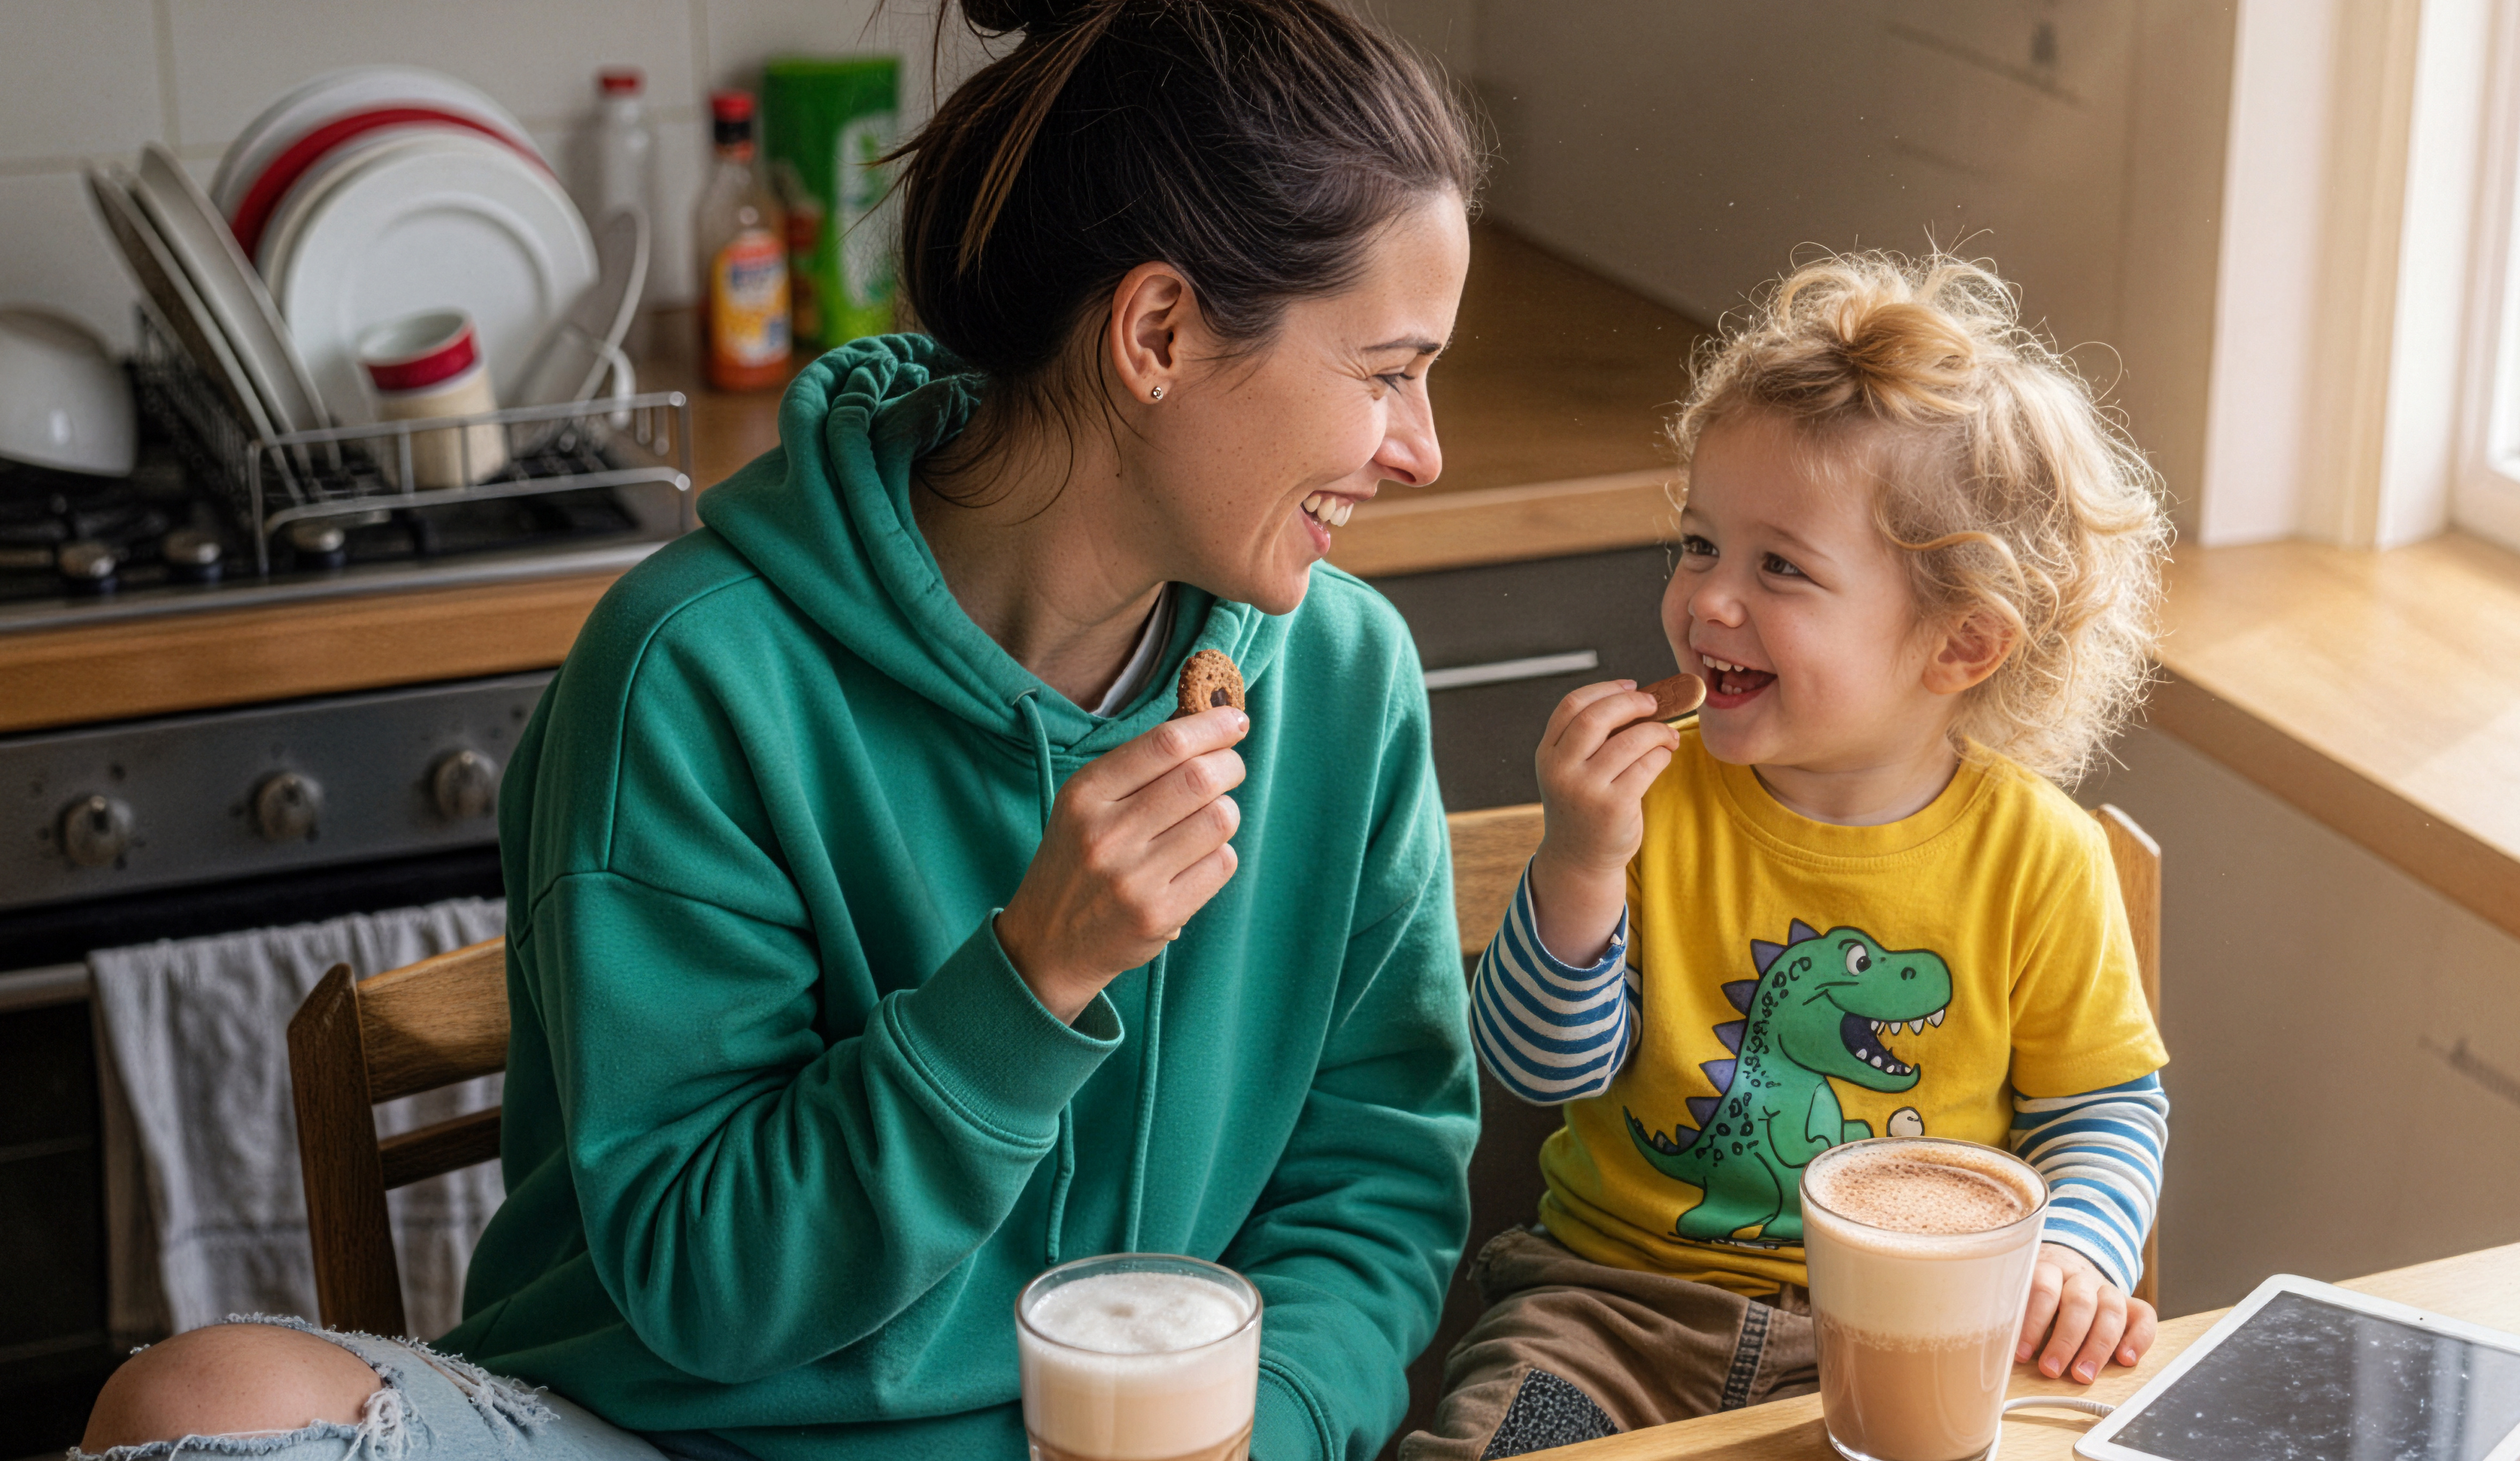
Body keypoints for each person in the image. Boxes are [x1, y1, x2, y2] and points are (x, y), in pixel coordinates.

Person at [79, 3, 1484, 1458]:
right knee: (189, 1400)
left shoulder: (1340, 674)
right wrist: (1027, 976)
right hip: (671, 1439)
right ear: (1159, 332)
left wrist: (1279, 1428)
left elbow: (1369, 1181)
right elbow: (705, 1278)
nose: (1421, 447)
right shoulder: (693, 677)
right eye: (1386, 371)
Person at [1411, 253, 2174, 1458]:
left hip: (1912, 1321)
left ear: (1960, 640)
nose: (1707, 600)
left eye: (1779, 566)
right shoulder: (1654, 806)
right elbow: (1531, 1062)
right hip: (1612, 1311)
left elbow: (2103, 1106)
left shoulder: (2040, 856)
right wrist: (1575, 865)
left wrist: (2076, 1245)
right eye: (1698, 543)